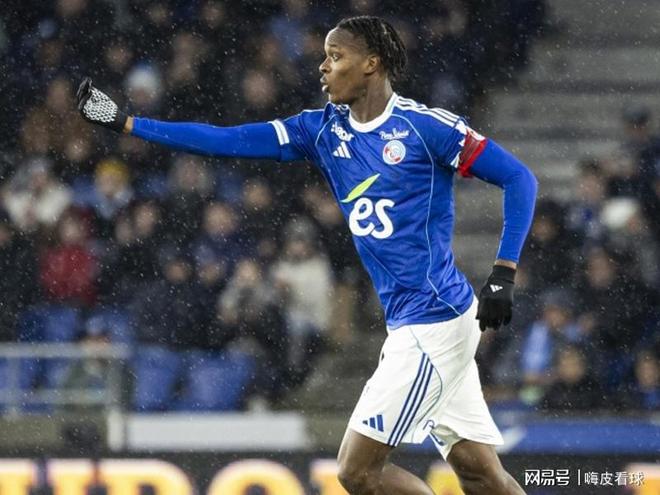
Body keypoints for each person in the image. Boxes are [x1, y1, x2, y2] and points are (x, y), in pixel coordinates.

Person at [76, 15, 537, 495]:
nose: (323, 66)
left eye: (336, 56)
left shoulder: (425, 128)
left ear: (371, 64)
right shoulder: (321, 131)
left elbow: (519, 178)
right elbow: (227, 139)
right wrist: (130, 124)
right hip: (420, 318)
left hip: (432, 321)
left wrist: (503, 272)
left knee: (357, 472)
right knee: (480, 474)